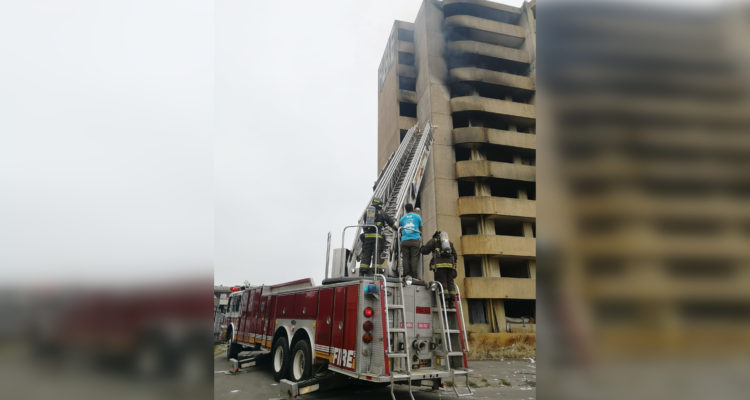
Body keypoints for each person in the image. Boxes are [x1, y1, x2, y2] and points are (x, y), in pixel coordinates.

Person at [360, 197, 396, 276]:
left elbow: (365, 223)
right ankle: (376, 270)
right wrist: (396, 228)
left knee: (366, 253)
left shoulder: (367, 212)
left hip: (367, 237)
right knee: (377, 252)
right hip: (377, 237)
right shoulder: (382, 213)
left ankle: (363, 269)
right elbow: (390, 222)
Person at [421, 231, 458, 307]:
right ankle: (452, 302)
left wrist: (421, 248)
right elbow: (455, 255)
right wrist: (454, 266)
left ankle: (444, 301)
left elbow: (425, 250)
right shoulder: (449, 243)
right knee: (450, 282)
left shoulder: (434, 241)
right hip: (450, 266)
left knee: (442, 282)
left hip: (439, 266)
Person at [398, 204, 423, 279]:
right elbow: (421, 228)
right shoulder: (417, 216)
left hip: (405, 240)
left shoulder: (402, 219)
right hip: (414, 240)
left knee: (405, 258)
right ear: (412, 209)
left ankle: (406, 274)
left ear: (405, 210)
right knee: (414, 257)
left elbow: (401, 230)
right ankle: (414, 275)